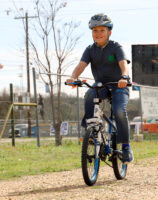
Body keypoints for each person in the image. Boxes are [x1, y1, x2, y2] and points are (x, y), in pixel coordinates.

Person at [66, 13, 133, 164]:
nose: (98, 34)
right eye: (95, 31)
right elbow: (80, 66)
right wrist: (73, 77)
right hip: (101, 86)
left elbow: (124, 65)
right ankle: (91, 129)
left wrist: (124, 77)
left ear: (109, 32)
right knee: (89, 94)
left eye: (102, 30)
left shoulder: (116, 47)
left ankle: (126, 147)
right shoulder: (90, 50)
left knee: (119, 111)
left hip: (119, 86)